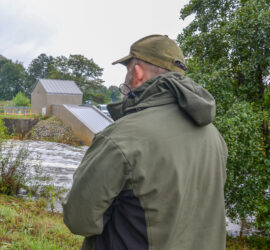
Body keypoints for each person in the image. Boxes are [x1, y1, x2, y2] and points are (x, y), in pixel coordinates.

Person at [63, 34, 228, 250]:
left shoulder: (121, 137)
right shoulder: (214, 136)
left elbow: (79, 219)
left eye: (127, 70)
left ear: (137, 73)